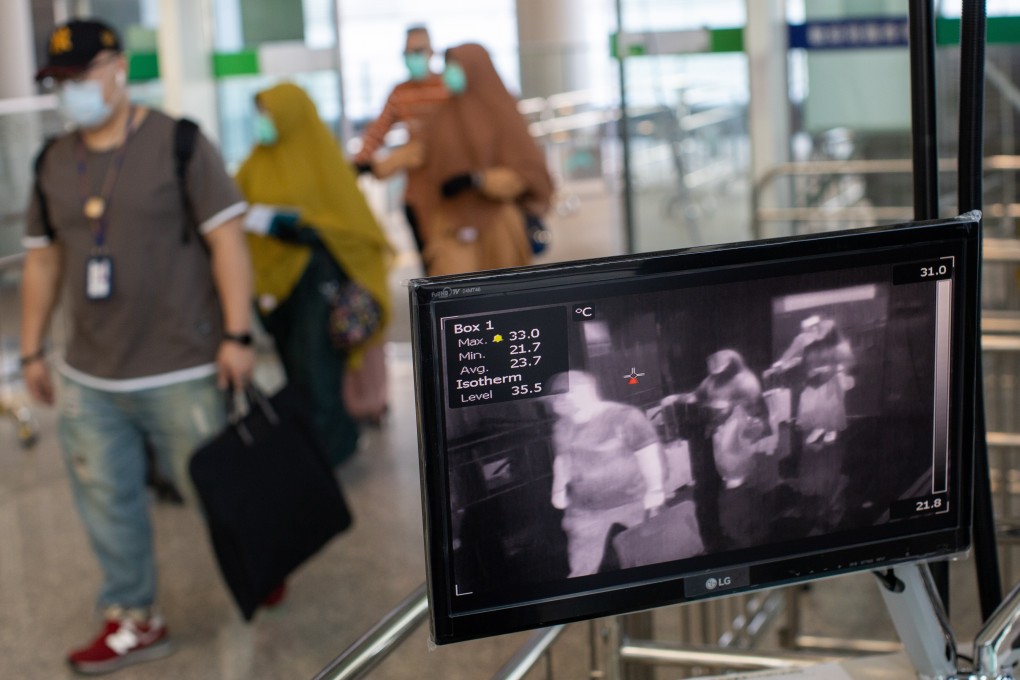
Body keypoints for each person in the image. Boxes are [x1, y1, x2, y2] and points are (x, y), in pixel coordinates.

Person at [20, 19, 255, 675]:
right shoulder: (52, 163)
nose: (72, 92)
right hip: (90, 376)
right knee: (107, 503)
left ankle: (260, 565)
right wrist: (33, 351)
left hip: (182, 365)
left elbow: (227, 241)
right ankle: (133, 617)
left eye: (82, 75)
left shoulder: (178, 143)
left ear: (119, 69)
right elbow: (41, 262)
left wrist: (237, 335)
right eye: (60, 81)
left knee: (220, 493)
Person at [235, 82, 392, 465]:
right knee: (295, 374)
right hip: (272, 287)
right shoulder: (254, 163)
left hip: (314, 280)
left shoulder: (320, 161)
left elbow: (352, 226)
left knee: (319, 372)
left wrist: (296, 226)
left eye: (269, 112)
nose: (264, 121)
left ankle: (331, 454)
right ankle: (310, 451)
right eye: (261, 113)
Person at [411, 42, 554, 276]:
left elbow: (526, 171)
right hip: (451, 223)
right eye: (448, 66)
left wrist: (479, 180)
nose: (449, 72)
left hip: (498, 224)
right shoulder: (442, 116)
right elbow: (421, 155)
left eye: (455, 66)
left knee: (502, 297)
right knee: (453, 297)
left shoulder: (502, 111)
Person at [546, 371, 665, 577]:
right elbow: (563, 459)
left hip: (633, 501)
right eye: (554, 399)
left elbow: (648, 452)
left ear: (584, 392)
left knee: (656, 556)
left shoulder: (625, 416)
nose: (556, 404)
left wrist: (655, 489)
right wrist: (558, 490)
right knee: (582, 570)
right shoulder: (561, 426)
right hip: (585, 509)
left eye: (561, 397)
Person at [353, 24, 450, 254]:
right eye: (408, 53)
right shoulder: (400, 92)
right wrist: (359, 162)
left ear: (431, 52)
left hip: (449, 187)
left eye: (418, 51)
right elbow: (377, 131)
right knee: (428, 261)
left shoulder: (447, 86)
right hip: (416, 191)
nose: (413, 58)